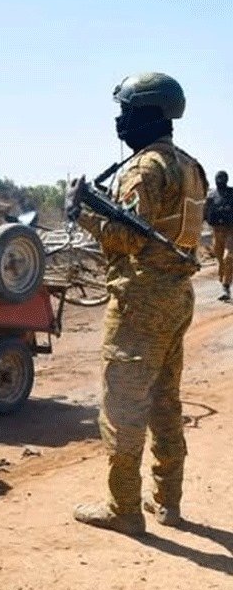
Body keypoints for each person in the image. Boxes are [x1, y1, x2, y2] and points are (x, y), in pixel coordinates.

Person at [66, 72, 207, 534]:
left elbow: (125, 238)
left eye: (127, 111)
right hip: (176, 295)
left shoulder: (144, 169)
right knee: (165, 401)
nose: (120, 120)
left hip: (141, 300)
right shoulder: (190, 166)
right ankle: (168, 502)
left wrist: (81, 212)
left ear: (149, 113)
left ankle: (123, 509)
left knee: (123, 405)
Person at [205, 170, 233, 301]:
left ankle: (226, 287)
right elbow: (204, 212)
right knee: (221, 261)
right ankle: (224, 281)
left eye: (223, 178)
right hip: (216, 231)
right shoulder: (211, 195)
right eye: (219, 178)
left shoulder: (232, 193)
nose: (220, 180)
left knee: (229, 257)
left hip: (230, 230)